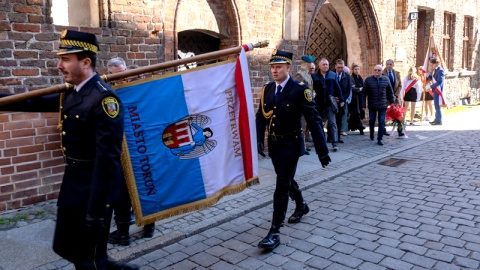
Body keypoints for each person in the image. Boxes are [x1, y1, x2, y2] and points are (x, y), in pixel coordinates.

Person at [0, 30, 138, 269]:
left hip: (94, 190)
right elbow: (31, 101)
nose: (58, 65)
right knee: (63, 246)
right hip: (73, 184)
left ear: (85, 62)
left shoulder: (104, 100)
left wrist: (98, 209)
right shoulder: (72, 93)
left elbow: (108, 161)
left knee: (89, 261)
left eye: (65, 59)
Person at [256, 50, 331, 251]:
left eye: (279, 67)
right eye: (272, 67)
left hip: (291, 145)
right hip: (275, 145)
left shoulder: (300, 90)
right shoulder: (268, 89)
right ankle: (301, 205)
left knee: (281, 186)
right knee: (286, 179)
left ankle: (274, 231)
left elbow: (314, 120)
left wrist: (322, 151)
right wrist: (258, 141)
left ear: (288, 68)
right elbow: (260, 117)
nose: (274, 70)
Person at [107, 59, 155, 246]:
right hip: (121, 154)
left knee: (148, 189)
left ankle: (149, 227)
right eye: (118, 76)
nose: (123, 78)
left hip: (143, 150)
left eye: (124, 73)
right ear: (111, 75)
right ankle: (123, 234)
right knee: (122, 195)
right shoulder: (109, 96)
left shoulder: (141, 92)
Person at [312, 58, 344, 152]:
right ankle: (322, 142)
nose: (325, 66)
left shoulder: (332, 75)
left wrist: (341, 99)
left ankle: (335, 143)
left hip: (330, 103)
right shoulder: (314, 76)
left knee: (332, 123)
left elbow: (338, 88)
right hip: (319, 103)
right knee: (319, 123)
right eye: (323, 65)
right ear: (319, 66)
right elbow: (311, 88)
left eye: (327, 64)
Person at [363, 64, 396, 146]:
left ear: (382, 71)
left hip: (382, 105)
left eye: (379, 70)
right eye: (375, 70)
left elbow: (390, 93)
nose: (377, 72)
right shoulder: (368, 80)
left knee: (381, 122)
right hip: (372, 104)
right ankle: (371, 133)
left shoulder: (386, 79)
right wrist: (363, 104)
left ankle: (380, 139)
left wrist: (392, 103)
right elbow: (363, 93)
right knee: (372, 121)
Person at [293, 55, 315, 155]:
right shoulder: (299, 74)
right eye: (311, 63)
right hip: (301, 105)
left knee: (306, 126)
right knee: (301, 126)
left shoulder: (307, 74)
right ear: (307, 63)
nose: (312, 65)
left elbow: (309, 88)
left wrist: (312, 92)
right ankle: (300, 147)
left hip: (308, 104)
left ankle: (304, 145)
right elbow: (298, 90)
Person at [334, 59, 351, 142]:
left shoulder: (347, 76)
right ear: (335, 67)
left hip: (342, 101)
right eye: (339, 67)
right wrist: (334, 98)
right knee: (332, 119)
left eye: (342, 67)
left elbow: (348, 90)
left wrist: (342, 100)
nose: (340, 69)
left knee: (340, 119)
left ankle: (338, 137)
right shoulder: (332, 74)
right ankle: (331, 137)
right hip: (333, 100)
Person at [426, 57, 445, 125]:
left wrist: (430, 86)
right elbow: (433, 78)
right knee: (436, 105)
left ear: (435, 64)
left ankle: (439, 120)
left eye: (432, 65)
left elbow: (439, 82)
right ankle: (436, 119)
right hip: (435, 90)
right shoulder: (435, 70)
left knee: (437, 105)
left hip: (438, 90)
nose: (431, 66)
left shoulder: (440, 70)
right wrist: (427, 75)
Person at [348, 64, 365, 134]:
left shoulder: (360, 78)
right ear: (353, 70)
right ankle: (361, 127)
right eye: (355, 69)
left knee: (359, 112)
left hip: (360, 97)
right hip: (354, 98)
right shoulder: (351, 78)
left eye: (358, 69)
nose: (357, 71)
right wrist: (360, 89)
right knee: (356, 113)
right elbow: (352, 88)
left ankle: (350, 126)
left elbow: (364, 85)